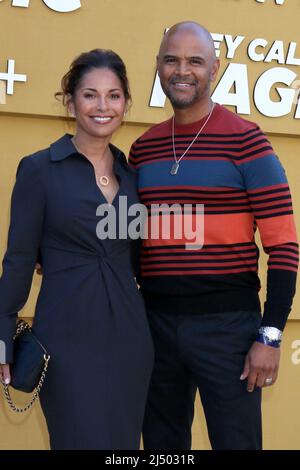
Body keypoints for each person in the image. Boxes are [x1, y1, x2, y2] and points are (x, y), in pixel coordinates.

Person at [129, 22, 298, 450]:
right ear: (158, 67)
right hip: (155, 327)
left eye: (194, 61)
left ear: (214, 69)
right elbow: (132, 241)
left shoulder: (248, 142)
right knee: (163, 450)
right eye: (171, 60)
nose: (181, 70)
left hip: (229, 331)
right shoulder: (143, 149)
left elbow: (283, 246)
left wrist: (271, 335)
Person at [0, 49, 154, 450]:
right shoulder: (38, 169)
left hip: (130, 337)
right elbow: (18, 260)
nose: (103, 106)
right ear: (70, 102)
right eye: (90, 95)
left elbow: (141, 261)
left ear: (126, 103)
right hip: (65, 337)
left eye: (114, 95)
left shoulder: (133, 177)